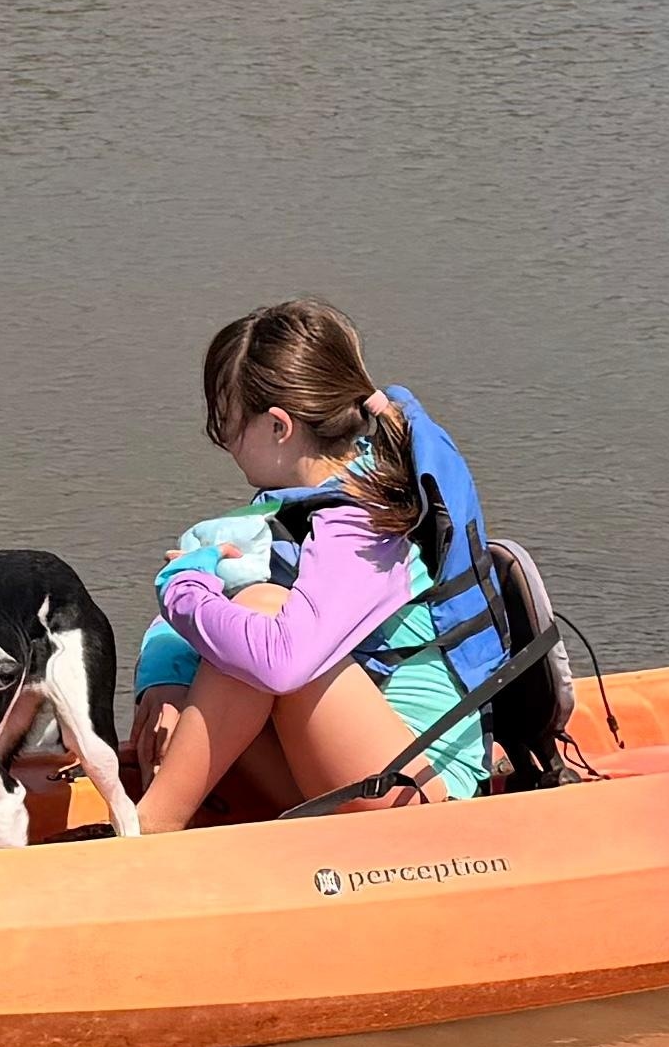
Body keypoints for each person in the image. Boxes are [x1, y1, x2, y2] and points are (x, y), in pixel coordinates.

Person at [132, 301, 491, 830]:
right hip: (343, 766)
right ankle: (157, 822)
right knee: (241, 619)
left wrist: (181, 589)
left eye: (228, 428)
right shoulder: (296, 501)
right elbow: (219, 592)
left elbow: (279, 658)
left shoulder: (369, 519)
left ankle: (144, 834)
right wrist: (165, 679)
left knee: (260, 613)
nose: (226, 446)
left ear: (278, 426)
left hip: (417, 791)